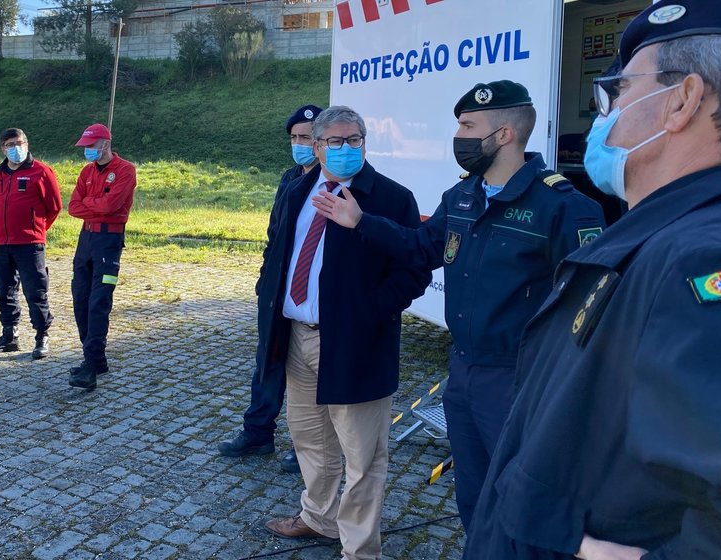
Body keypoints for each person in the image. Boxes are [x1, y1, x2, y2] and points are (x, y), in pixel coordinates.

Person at [465, 0, 721, 559]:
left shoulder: (708, 258)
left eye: (617, 93)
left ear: (683, 100)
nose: (604, 117)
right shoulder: (663, 235)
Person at [313, 81, 604, 533]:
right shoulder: (463, 197)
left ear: (504, 134)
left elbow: (590, 304)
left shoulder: (563, 208)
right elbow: (419, 248)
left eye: (469, 126)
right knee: (471, 490)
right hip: (463, 370)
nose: (459, 136)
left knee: (522, 492)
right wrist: (361, 223)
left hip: (520, 375)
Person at [262, 106, 431, 560]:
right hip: (297, 337)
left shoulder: (391, 198)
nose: (344, 149)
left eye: (353, 140)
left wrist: (371, 311)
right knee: (310, 439)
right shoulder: (297, 190)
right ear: (315, 148)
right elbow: (276, 250)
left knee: (363, 457)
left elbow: (413, 270)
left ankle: (359, 550)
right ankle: (318, 516)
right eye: (333, 142)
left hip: (357, 342)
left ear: (364, 142)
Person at [218, 103, 322, 473]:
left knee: (306, 374)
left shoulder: (329, 183)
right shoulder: (289, 178)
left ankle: (303, 444)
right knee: (267, 361)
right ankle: (258, 432)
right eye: (295, 138)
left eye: (307, 138)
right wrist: (265, 280)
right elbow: (274, 235)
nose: (300, 144)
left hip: (310, 295)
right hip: (277, 289)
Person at [67, 123, 137, 391]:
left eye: (91, 146)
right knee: (80, 298)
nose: (87, 151)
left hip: (109, 241)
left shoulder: (125, 170)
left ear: (105, 144)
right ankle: (94, 359)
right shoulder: (86, 172)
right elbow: (73, 207)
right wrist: (95, 208)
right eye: (85, 147)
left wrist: (91, 206)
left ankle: (91, 364)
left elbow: (112, 206)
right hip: (86, 239)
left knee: (98, 301)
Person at [0, 128, 62, 359]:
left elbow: (54, 207)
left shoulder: (41, 172)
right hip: (1, 243)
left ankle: (41, 335)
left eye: (19, 143)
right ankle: (10, 335)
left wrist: (36, 229)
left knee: (35, 291)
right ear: (3, 148)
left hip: (30, 243)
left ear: (27, 144)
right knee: (4, 292)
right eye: (10, 144)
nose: (15, 148)